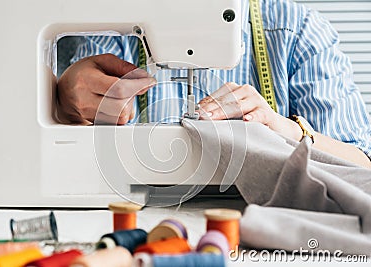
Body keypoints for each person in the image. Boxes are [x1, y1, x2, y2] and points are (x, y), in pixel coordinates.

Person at [57, 0, 371, 168]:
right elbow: (72, 166)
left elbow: (362, 165)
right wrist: (62, 105)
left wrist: (287, 132)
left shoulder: (299, 32)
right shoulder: (106, 35)